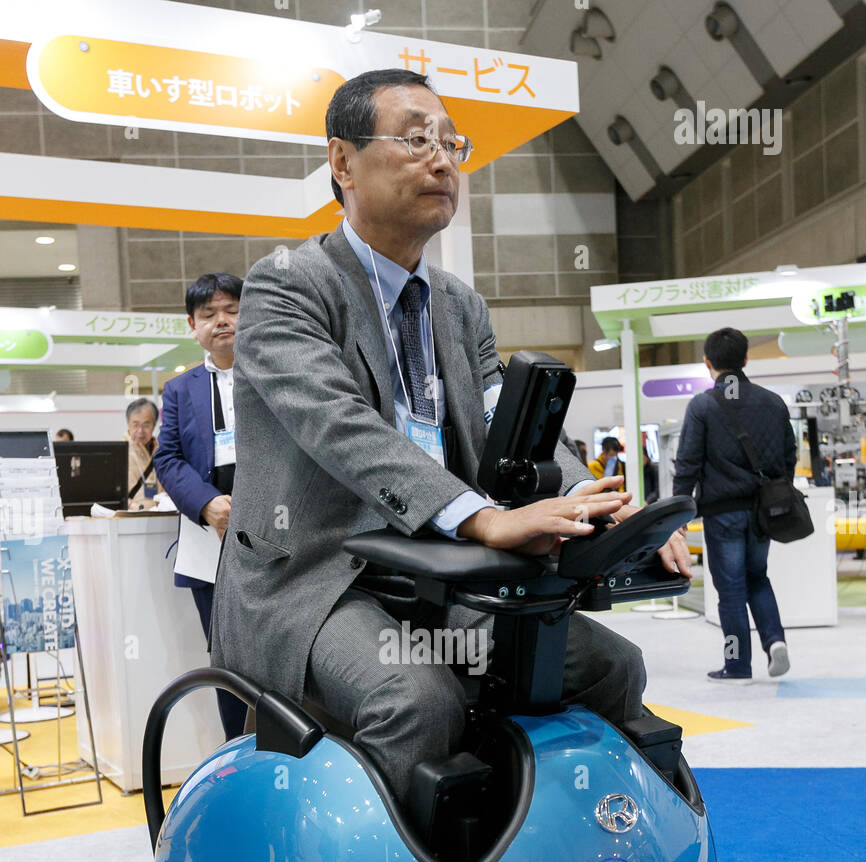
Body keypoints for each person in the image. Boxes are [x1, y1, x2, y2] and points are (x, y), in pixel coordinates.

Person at [210, 69, 690, 806]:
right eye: (414, 140)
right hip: (320, 578)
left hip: (438, 572)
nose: (442, 161)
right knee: (415, 700)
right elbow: (342, 425)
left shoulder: (460, 308)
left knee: (609, 666)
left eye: (451, 144)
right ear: (342, 162)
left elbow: (517, 423)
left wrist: (601, 504)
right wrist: (483, 516)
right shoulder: (286, 288)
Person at [672, 327, 794, 684]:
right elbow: (789, 456)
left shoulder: (703, 405)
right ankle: (775, 642)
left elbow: (688, 463)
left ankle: (737, 663)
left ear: (707, 362)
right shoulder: (772, 401)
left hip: (723, 512)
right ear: (745, 359)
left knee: (730, 589)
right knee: (758, 577)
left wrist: (680, 510)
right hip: (763, 511)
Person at [153, 272, 247, 738]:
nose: (222, 321)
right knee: (226, 656)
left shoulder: (272, 373)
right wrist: (207, 505)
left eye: (231, 309)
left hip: (274, 524)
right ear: (193, 326)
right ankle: (237, 753)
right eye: (209, 314)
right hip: (208, 531)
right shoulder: (179, 389)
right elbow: (166, 458)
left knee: (285, 648)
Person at [125, 398, 164, 507]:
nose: (140, 431)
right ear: (128, 424)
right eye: (135, 425)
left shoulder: (163, 451)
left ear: (154, 425)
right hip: (133, 517)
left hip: (163, 515)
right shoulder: (120, 453)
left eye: (146, 425)